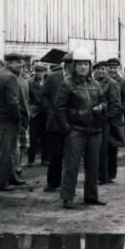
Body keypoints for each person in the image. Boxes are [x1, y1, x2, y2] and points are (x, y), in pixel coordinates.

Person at [55, 48, 107, 208]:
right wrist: (67, 129)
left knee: (93, 165)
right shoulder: (66, 84)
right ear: (74, 66)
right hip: (75, 130)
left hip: (94, 131)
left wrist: (101, 107)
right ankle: (67, 197)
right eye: (80, 64)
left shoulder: (95, 84)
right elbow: (59, 109)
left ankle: (91, 196)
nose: (83, 67)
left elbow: (104, 101)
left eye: (86, 64)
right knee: (72, 165)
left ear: (90, 66)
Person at [0, 53, 29, 191]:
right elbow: (13, 103)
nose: (21, 64)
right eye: (18, 62)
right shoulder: (10, 77)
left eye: (22, 62)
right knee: (7, 152)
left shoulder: (0, 74)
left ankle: (11, 177)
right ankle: (0, 183)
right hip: (8, 120)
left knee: (8, 150)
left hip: (0, 118)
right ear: (9, 63)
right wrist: (18, 119)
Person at [42, 53, 72, 192]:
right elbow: (44, 96)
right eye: (71, 64)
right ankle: (53, 183)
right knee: (55, 155)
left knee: (72, 156)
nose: (73, 66)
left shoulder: (80, 78)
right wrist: (50, 111)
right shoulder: (53, 77)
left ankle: (69, 185)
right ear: (65, 64)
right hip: (55, 124)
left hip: (73, 122)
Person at [92, 61, 124, 185]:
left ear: (106, 70)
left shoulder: (111, 83)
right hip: (94, 120)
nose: (100, 71)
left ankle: (106, 176)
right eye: (98, 69)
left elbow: (115, 104)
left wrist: (106, 117)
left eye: (103, 69)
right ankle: (102, 175)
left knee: (107, 149)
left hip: (107, 121)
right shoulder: (92, 81)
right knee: (99, 149)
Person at [27, 63, 49, 165]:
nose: (39, 73)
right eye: (37, 71)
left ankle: (45, 159)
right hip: (35, 113)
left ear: (45, 72)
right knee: (33, 137)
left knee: (46, 136)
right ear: (34, 72)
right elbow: (27, 98)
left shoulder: (48, 82)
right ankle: (31, 160)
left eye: (41, 71)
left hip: (46, 112)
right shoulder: (30, 83)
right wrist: (30, 108)